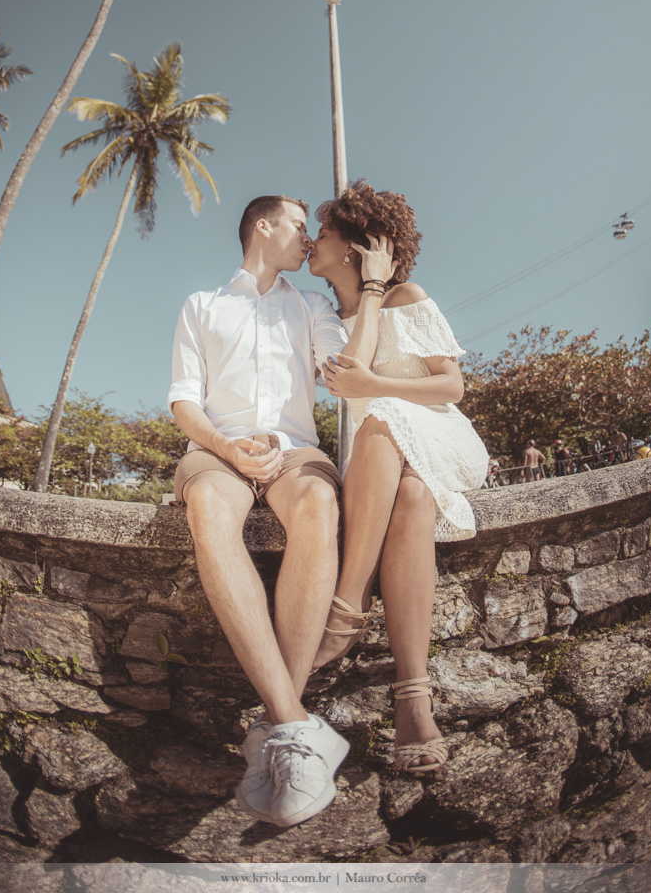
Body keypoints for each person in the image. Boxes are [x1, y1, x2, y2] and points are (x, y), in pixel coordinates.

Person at [168, 195, 349, 828]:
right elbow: (184, 401)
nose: (310, 238)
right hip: (216, 450)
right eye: (301, 226)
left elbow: (339, 369)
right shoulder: (202, 305)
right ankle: (296, 730)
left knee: (321, 501)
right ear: (264, 227)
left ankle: (278, 723)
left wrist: (372, 291)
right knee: (208, 508)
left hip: (295, 448)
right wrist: (222, 447)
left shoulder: (314, 304)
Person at [307, 181, 489, 774]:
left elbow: (451, 387)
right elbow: (346, 375)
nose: (313, 241)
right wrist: (369, 296)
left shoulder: (408, 295)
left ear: (355, 246)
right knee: (412, 497)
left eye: (325, 234)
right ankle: (414, 700)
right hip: (387, 465)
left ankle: (348, 603)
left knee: (382, 421)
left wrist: (379, 385)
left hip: (439, 433)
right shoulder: (324, 321)